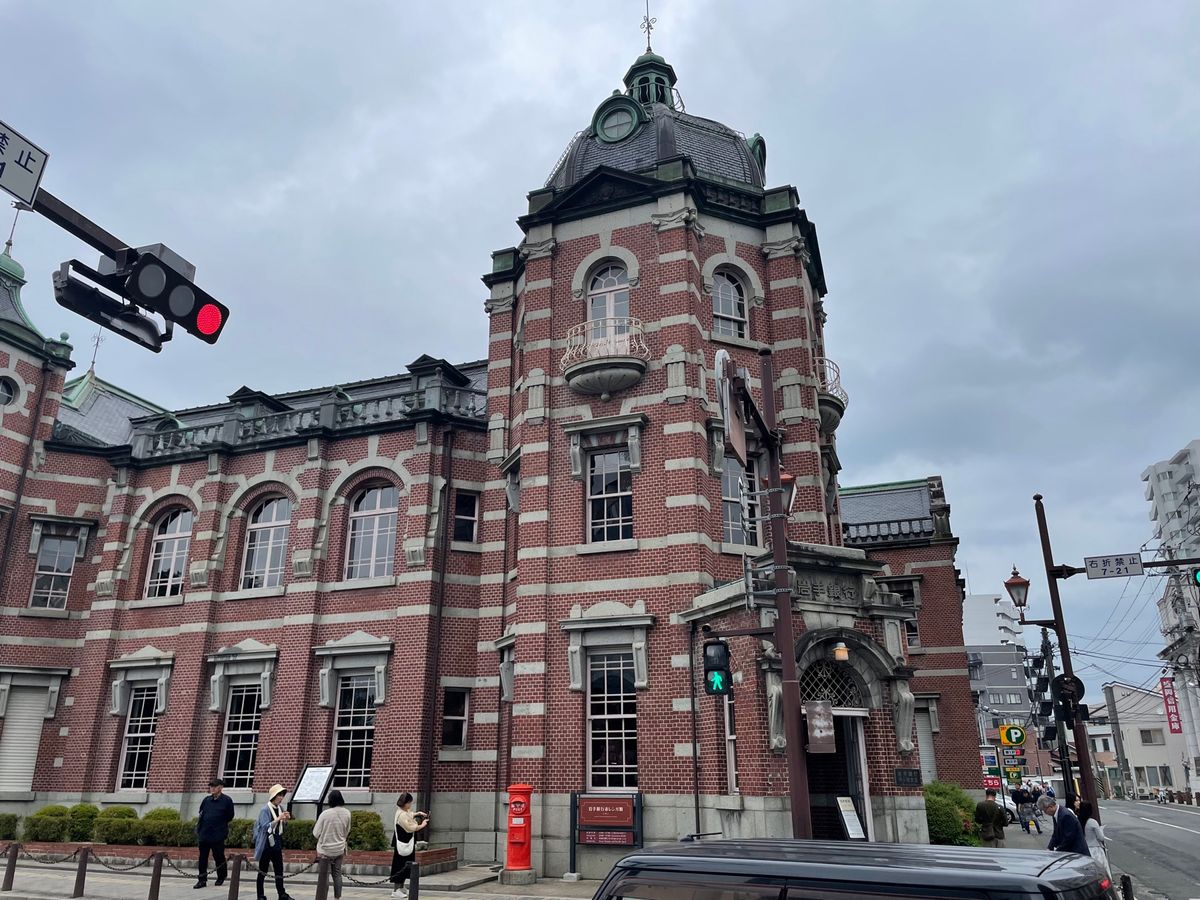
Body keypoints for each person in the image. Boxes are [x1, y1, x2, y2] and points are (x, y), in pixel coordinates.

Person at [195, 778, 236, 889]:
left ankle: (221, 876)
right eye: (211, 786)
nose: (212, 788)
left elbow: (230, 816)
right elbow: (201, 813)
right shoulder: (206, 800)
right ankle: (202, 879)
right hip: (204, 833)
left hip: (218, 834)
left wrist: (220, 825)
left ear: (220, 788)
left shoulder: (227, 800)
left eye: (214, 786)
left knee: (218, 856)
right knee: (202, 858)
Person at [254, 784, 293, 900]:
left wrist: (285, 820)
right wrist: (278, 819)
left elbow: (281, 828)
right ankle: (260, 895)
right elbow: (265, 827)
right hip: (266, 842)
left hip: (276, 841)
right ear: (273, 796)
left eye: (282, 795)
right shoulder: (265, 809)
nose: (281, 798)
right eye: (278, 795)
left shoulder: (280, 808)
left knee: (279, 869)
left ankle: (281, 893)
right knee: (263, 870)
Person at [313, 790, 352, 900]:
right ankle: (337, 897)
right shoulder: (347, 813)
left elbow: (316, 833)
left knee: (324, 877)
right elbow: (347, 830)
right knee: (337, 875)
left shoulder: (325, 814)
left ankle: (321, 898)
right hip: (339, 849)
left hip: (325, 851)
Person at [390, 793, 430, 900]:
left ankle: (401, 887)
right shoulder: (402, 815)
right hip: (402, 844)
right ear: (406, 803)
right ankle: (396, 890)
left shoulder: (403, 811)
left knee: (405, 865)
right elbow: (410, 827)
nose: (411, 804)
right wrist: (422, 825)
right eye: (410, 802)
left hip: (406, 843)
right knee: (400, 865)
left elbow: (410, 815)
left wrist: (418, 814)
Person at [1078, 801, 1110, 877]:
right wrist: (1101, 830)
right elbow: (1101, 837)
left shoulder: (1078, 821)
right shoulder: (1092, 822)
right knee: (1101, 870)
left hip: (1084, 849)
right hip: (1095, 849)